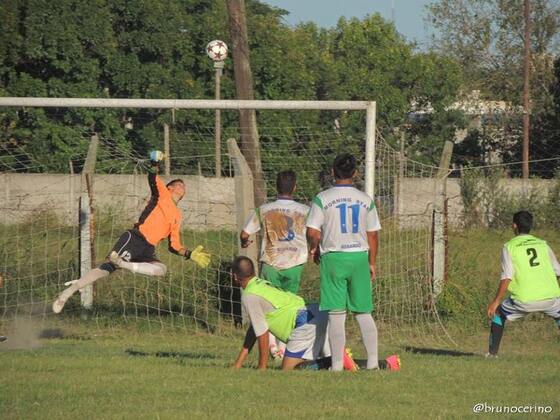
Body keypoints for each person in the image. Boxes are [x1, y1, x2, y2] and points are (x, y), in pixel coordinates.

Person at [52, 151, 211, 314]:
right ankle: (66, 294)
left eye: (184, 185)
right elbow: (152, 176)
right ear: (169, 188)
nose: (183, 185)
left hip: (149, 248)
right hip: (136, 238)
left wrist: (190, 254)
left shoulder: (177, 216)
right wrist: (155, 162)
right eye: (179, 183)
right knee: (106, 268)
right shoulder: (161, 194)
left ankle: (122, 264)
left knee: (161, 270)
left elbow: (174, 245)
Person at [231, 256, 400, 371]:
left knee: (289, 369)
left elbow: (262, 335)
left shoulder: (249, 295)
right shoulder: (259, 284)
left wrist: (262, 368)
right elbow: (255, 329)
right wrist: (238, 363)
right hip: (315, 312)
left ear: (234, 276)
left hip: (304, 323)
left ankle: (331, 359)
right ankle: (386, 364)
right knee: (332, 364)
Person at [306, 153, 381, 371]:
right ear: (355, 173)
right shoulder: (365, 199)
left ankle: (337, 365)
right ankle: (374, 363)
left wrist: (314, 246)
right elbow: (373, 235)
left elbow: (312, 230)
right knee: (363, 312)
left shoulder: (323, 198)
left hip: (333, 257)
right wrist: (372, 262)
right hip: (359, 257)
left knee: (336, 313)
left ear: (332, 172)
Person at [240, 170, 309, 357]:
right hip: (294, 264)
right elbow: (314, 232)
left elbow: (245, 233)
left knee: (267, 306)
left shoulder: (264, 209)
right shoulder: (305, 210)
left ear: (275, 187)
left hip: (271, 263)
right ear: (294, 187)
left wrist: (245, 242)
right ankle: (285, 348)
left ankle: (271, 346)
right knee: (288, 307)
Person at [486, 210, 560, 356]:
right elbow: (558, 271)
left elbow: (507, 277)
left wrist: (495, 302)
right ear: (530, 226)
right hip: (550, 298)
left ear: (514, 226)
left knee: (499, 314)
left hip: (524, 300)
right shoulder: (543, 244)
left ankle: (492, 354)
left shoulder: (509, 246)